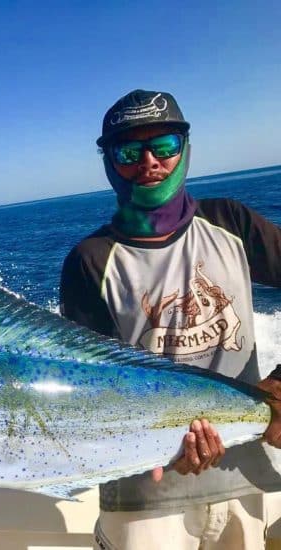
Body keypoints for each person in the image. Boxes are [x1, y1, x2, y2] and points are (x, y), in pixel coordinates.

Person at [60, 89, 281, 549]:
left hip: (247, 474)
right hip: (146, 487)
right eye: (127, 151)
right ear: (107, 162)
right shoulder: (90, 261)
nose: (149, 162)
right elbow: (92, 388)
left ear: (185, 149)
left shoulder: (233, 223)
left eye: (163, 146)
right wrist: (159, 441)